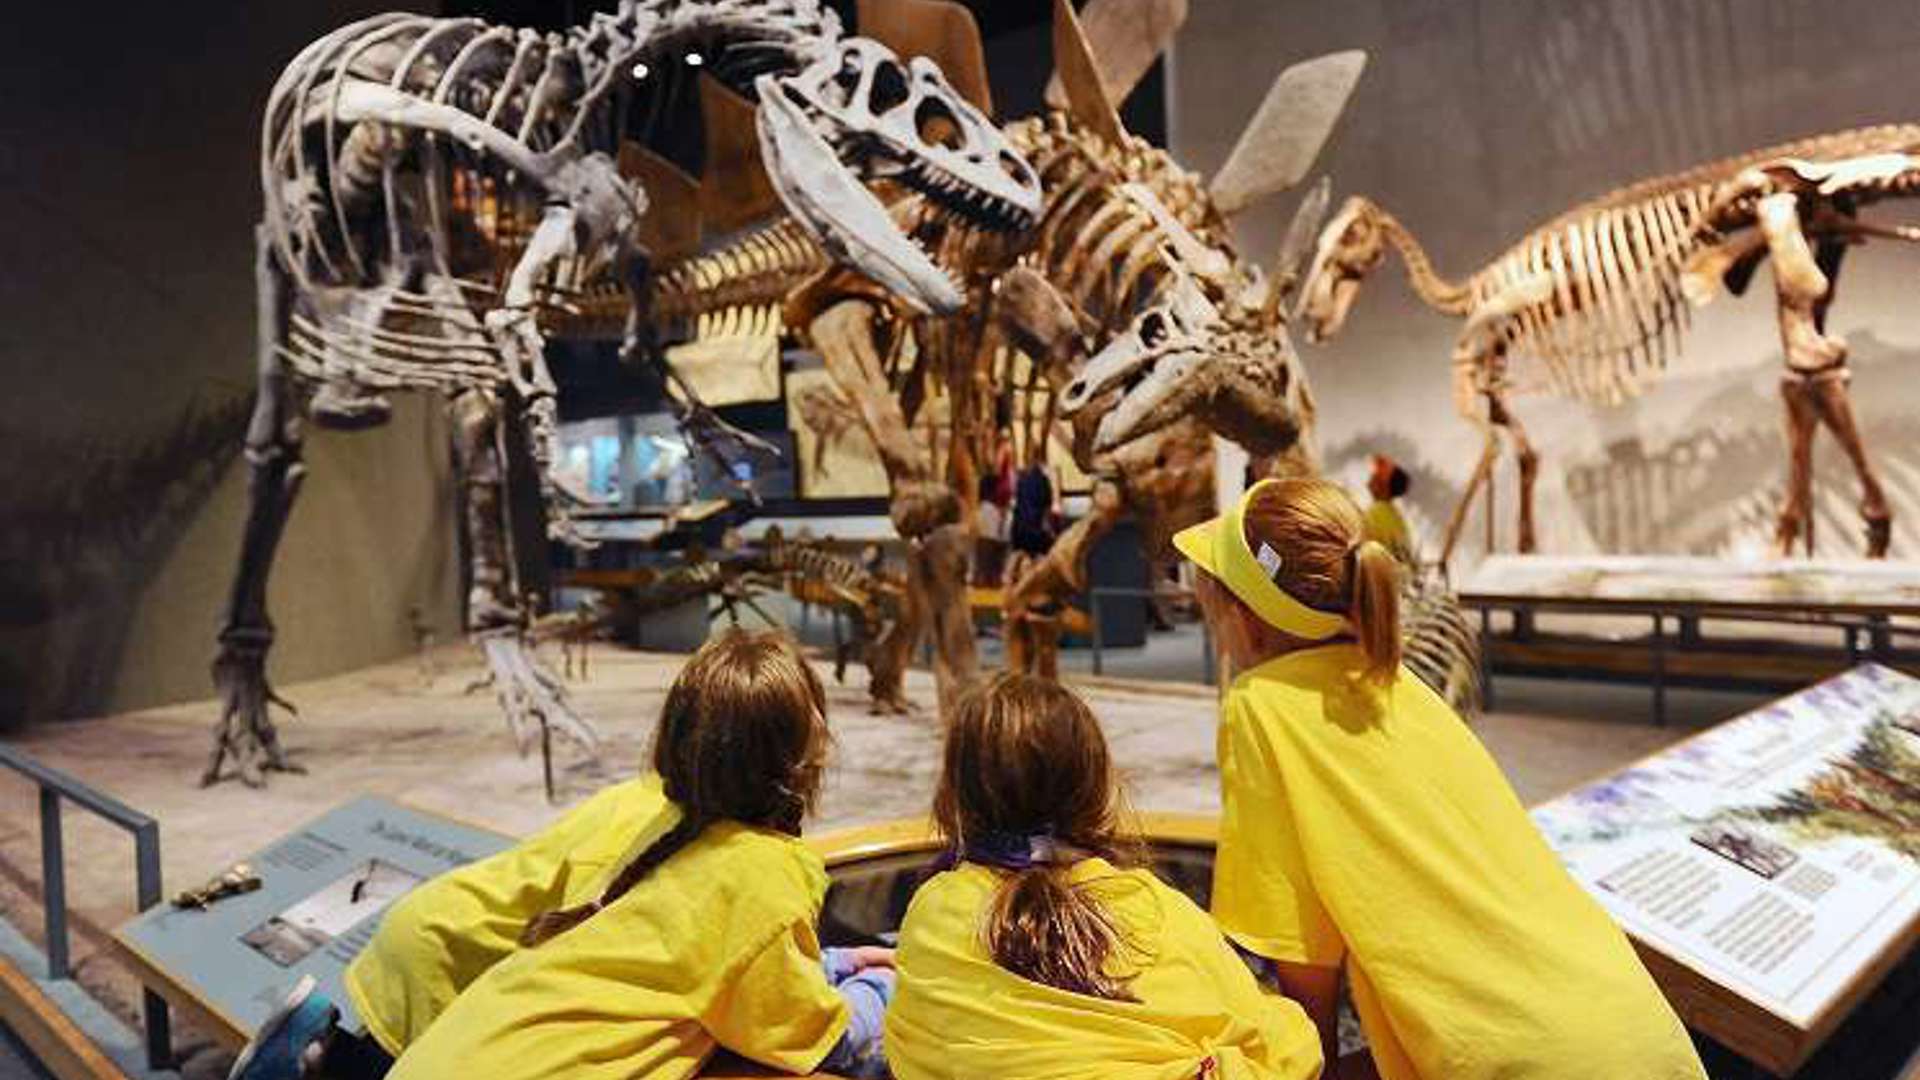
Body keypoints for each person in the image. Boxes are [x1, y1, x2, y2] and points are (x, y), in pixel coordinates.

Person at [1177, 477, 1705, 1080]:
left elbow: (1299, 950)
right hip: (1638, 1031)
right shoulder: (1401, 686)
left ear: (1247, 622)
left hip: (1517, 1061)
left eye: (1211, 611)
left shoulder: (1259, 706)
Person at [230, 630, 893, 1080]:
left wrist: (824, 961)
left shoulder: (656, 827)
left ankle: (319, 1057)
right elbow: (820, 1034)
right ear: (808, 757)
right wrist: (889, 983)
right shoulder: (753, 874)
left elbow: (687, 956)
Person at [886, 673, 1322, 1080]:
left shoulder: (936, 911)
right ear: (1096, 786)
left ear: (955, 795)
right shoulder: (1160, 909)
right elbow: (1289, 1048)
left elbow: (910, 1049)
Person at [1361, 455, 1415, 564]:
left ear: (1383, 486)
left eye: (1375, 476)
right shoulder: (1397, 518)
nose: (1370, 478)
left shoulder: (1375, 512)